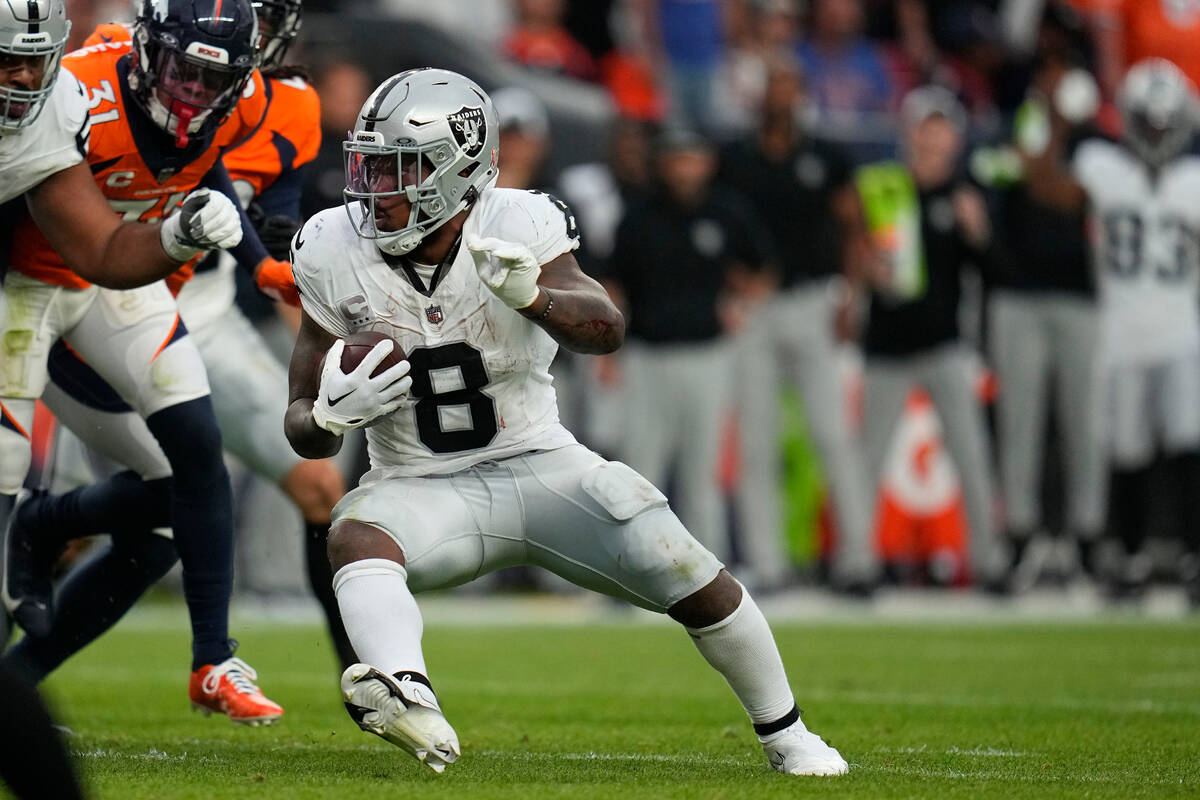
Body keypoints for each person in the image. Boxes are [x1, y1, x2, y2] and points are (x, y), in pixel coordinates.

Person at [284, 67, 848, 777]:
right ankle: (412, 695)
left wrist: (535, 299)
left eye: (398, 170)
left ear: (455, 171)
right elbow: (299, 420)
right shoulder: (332, 246)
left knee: (685, 565)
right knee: (354, 535)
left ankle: (788, 732)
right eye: (369, 167)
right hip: (419, 482)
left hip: (539, 462)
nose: (376, 191)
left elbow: (605, 327)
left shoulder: (518, 221)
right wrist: (328, 416)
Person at [3, 0, 356, 680]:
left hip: (187, 304)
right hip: (79, 293)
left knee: (291, 487)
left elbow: (262, 209)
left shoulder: (277, 103)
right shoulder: (100, 81)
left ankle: (364, 675)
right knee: (82, 521)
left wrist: (272, 263)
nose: (197, 84)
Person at [1025, 58, 1200, 601]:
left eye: (1163, 124)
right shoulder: (1102, 165)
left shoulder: (1194, 179)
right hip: (1120, 331)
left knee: (1188, 448)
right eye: (1147, 122)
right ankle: (1126, 558)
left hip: (1180, 331)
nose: (1155, 133)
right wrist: (1053, 123)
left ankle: (1191, 558)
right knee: (1127, 454)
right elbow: (1047, 189)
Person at [718, 57, 877, 592]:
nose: (781, 98)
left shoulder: (825, 156)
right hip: (756, 311)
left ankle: (859, 559)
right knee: (757, 440)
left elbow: (855, 225)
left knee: (832, 433)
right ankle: (767, 564)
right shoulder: (736, 158)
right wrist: (737, 279)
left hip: (812, 299)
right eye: (774, 86)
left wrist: (851, 295)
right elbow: (715, 223)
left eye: (789, 87)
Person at [853, 86, 1006, 588]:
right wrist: (865, 266)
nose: (932, 141)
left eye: (941, 131)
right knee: (869, 458)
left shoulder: (964, 197)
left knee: (971, 454)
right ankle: (857, 564)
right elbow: (854, 256)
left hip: (943, 345)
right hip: (886, 347)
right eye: (925, 129)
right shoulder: (884, 189)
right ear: (910, 134)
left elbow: (991, 271)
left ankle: (989, 562)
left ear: (954, 139)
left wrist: (978, 231)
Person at [603, 127, 773, 564]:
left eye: (691, 157)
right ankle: (635, 568)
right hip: (646, 355)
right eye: (676, 158)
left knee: (704, 474)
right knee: (640, 470)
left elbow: (762, 269)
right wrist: (606, 348)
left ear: (707, 162)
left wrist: (741, 303)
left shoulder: (727, 211)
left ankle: (706, 575)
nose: (683, 168)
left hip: (708, 355)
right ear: (663, 162)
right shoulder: (638, 215)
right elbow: (612, 284)